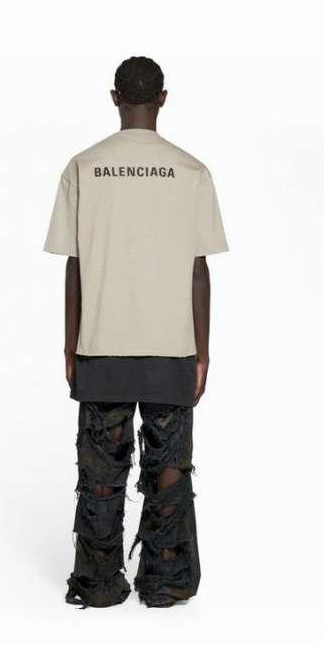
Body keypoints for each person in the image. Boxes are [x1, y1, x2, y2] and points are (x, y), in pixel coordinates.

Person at [43, 56, 228, 608]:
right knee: (170, 465)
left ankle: (98, 583)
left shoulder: (84, 167)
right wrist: (202, 352)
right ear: (163, 99)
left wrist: (71, 344)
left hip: (102, 341)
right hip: (172, 344)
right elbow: (199, 268)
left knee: (100, 468)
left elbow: (74, 265)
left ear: (114, 97)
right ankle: (166, 582)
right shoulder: (192, 171)